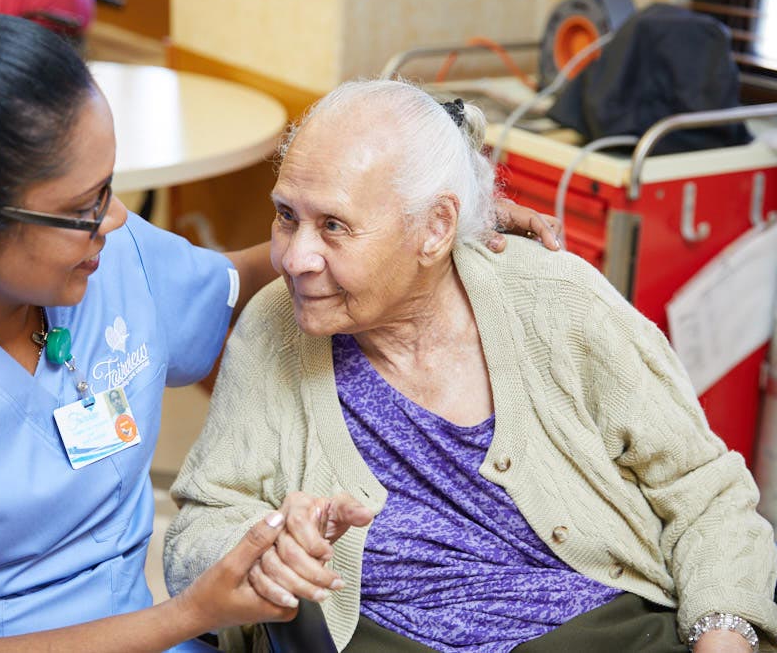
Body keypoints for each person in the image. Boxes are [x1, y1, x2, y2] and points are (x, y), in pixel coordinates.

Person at [0, 0, 559, 652]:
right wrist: (189, 613)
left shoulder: (108, 261)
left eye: (110, 186)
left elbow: (245, 280)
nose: (117, 222)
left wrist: (426, 236)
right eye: (82, 209)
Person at [164, 79, 777, 653]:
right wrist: (268, 545)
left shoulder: (556, 300)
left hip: (597, 630)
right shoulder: (275, 327)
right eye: (287, 216)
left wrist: (724, 631)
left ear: (436, 228)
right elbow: (196, 536)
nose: (294, 258)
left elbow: (705, 494)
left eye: (334, 227)